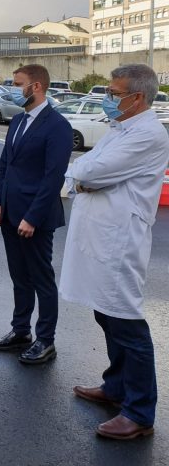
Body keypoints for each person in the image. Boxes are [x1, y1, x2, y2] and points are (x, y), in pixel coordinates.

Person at [59, 64, 169, 440]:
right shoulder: (122, 128)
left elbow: (89, 173)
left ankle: (139, 412)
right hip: (101, 235)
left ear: (137, 98)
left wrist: (85, 177)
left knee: (125, 320)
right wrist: (84, 176)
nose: (107, 99)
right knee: (106, 315)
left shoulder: (149, 134)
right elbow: (82, 167)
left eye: (113, 93)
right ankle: (117, 386)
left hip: (120, 241)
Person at [0, 64, 72, 364]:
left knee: (41, 279)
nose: (13, 87)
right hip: (10, 214)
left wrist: (32, 218)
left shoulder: (58, 126)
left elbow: (53, 178)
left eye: (17, 83)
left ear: (36, 87)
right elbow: (5, 165)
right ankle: (20, 330)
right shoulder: (18, 121)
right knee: (19, 277)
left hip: (35, 219)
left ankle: (45, 340)